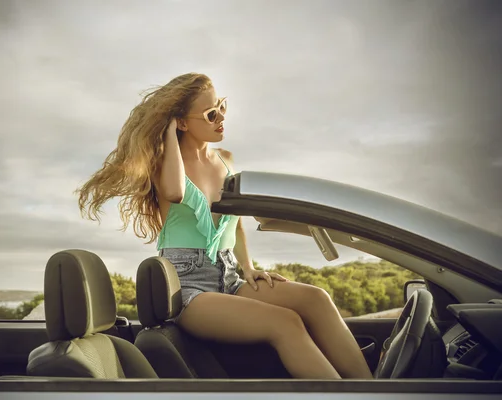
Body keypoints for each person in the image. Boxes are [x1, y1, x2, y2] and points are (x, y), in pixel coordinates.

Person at [77, 73, 373, 380]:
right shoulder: (163, 165)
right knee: (285, 322)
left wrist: (248, 266)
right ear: (182, 122)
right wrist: (167, 131)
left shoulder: (227, 160)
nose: (221, 119)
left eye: (222, 107)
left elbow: (237, 222)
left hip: (230, 275)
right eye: (210, 114)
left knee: (316, 299)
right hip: (186, 285)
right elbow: (175, 193)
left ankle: (374, 390)